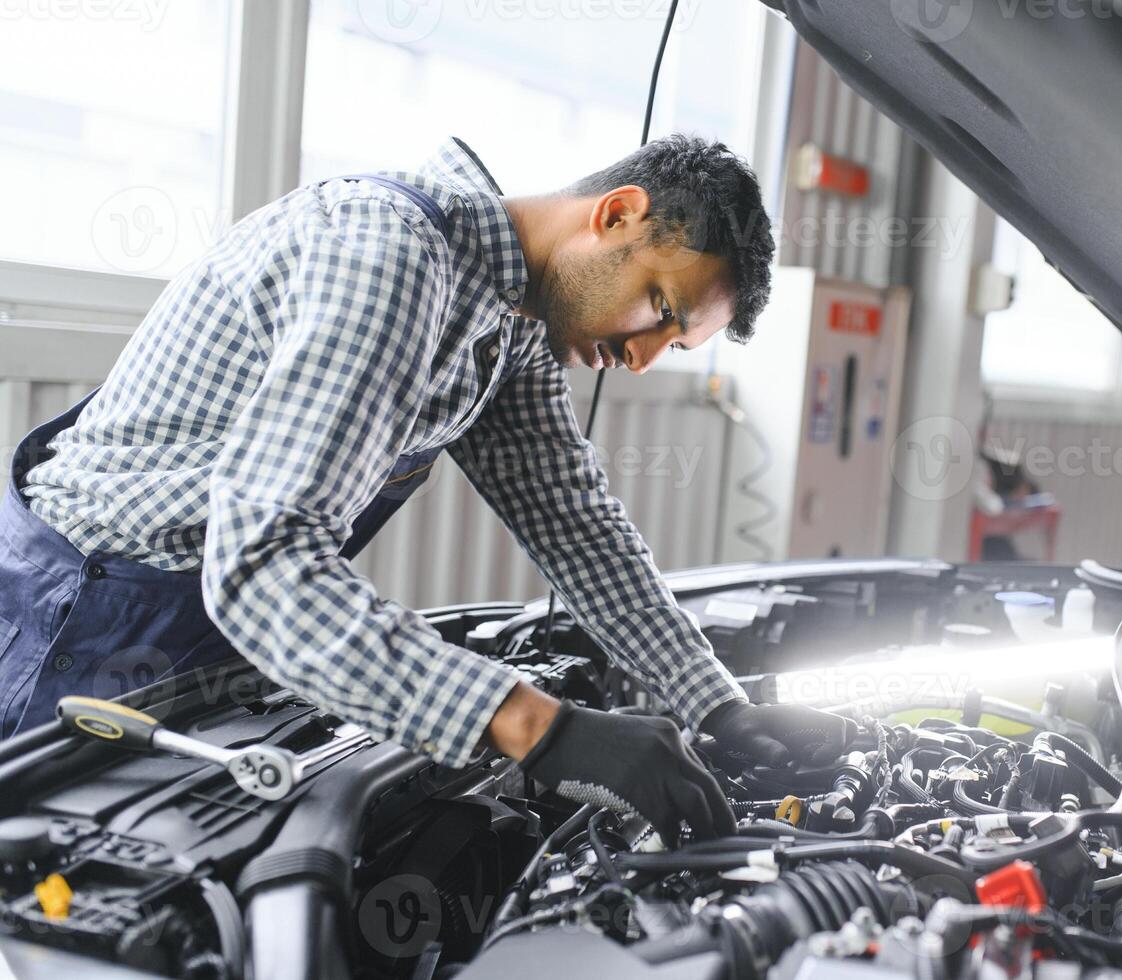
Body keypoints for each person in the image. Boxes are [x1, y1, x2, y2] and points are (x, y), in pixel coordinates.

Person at [0, 135, 853, 844]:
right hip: (79, 614)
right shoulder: (391, 256)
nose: (641, 357)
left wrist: (716, 705)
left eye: (674, 343)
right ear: (615, 214)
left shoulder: (506, 318)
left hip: (198, 621)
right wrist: (537, 727)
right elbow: (262, 565)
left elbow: (574, 525)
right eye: (659, 309)